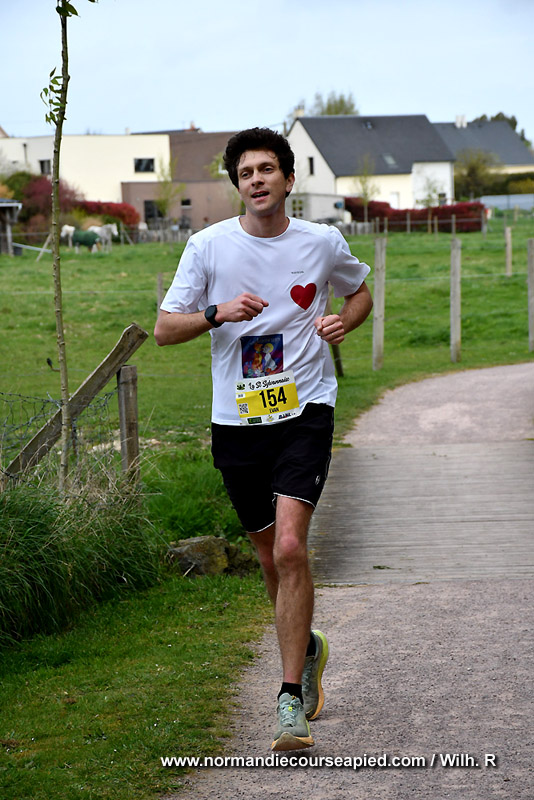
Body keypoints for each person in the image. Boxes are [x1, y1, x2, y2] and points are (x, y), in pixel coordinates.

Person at [154, 127, 373, 751]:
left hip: (305, 410)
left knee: (290, 547)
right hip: (237, 421)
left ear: (288, 179)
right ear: (237, 184)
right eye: (246, 172)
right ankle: (306, 648)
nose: (257, 180)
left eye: (267, 169)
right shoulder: (207, 247)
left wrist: (343, 322)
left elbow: (359, 293)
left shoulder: (321, 242)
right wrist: (217, 313)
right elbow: (165, 329)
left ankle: (288, 700)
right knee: (269, 558)